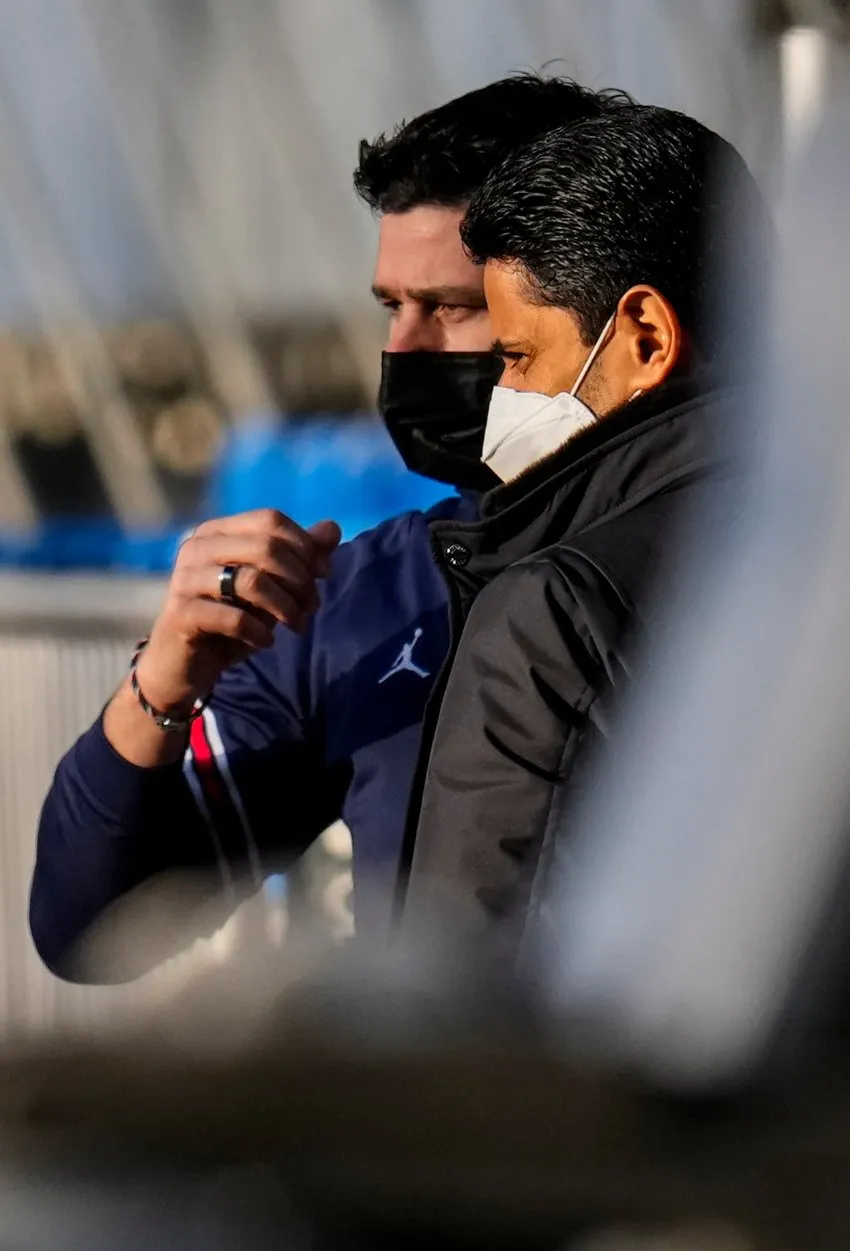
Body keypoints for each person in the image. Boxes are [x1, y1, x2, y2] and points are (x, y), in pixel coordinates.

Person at [31, 74, 629, 979]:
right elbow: (89, 928)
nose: (403, 350)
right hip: (447, 1109)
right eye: (393, 306)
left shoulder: (757, 573)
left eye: (453, 308)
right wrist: (163, 679)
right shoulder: (363, 598)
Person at [397, 106, 764, 966]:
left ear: (644, 336)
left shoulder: (552, 610)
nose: (502, 399)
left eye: (519, 358)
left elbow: (469, 984)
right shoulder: (805, 553)